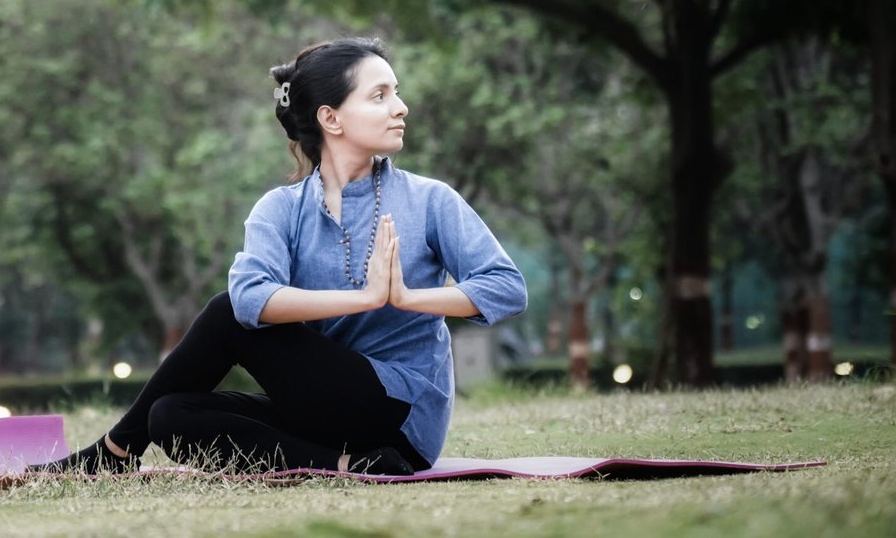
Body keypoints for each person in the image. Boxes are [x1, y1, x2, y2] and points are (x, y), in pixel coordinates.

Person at [32, 36, 527, 475]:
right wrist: (362, 299)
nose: (401, 107)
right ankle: (342, 465)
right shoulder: (281, 209)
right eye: (380, 95)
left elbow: (506, 287)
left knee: (223, 311)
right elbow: (251, 300)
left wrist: (407, 298)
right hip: (319, 415)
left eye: (396, 92)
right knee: (170, 415)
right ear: (330, 118)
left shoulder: (429, 200)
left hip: (399, 413)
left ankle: (114, 451)